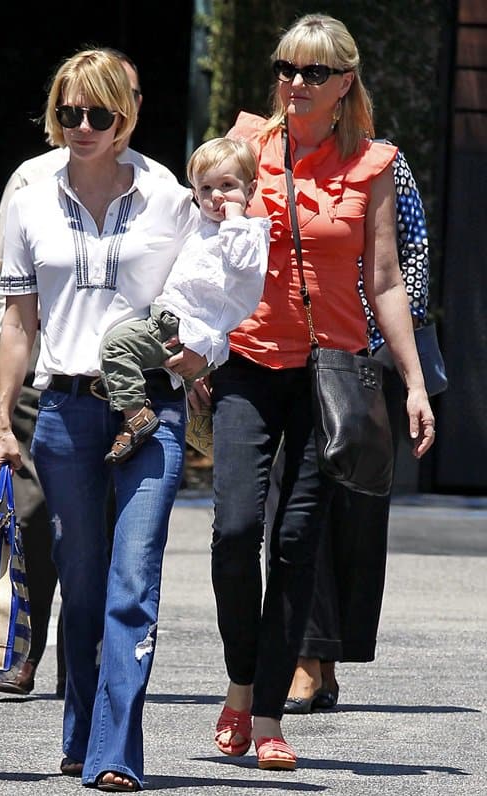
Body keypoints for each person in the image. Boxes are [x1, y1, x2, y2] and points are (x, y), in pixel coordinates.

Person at [189, 13, 435, 771]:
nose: (296, 84)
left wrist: (415, 382)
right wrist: (192, 349)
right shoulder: (247, 145)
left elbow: (384, 279)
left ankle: (265, 717)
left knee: (294, 547)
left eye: (314, 73)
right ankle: (240, 682)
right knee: (234, 534)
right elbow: (195, 247)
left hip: (328, 376)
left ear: (344, 83)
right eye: (287, 68)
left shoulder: (373, 164)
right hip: (246, 365)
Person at [0, 48, 200, 792]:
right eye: (67, 112)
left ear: (126, 117)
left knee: (131, 584)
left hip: (150, 412)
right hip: (65, 413)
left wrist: (197, 358)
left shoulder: (170, 198)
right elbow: (19, 319)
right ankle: (79, 735)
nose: (80, 126)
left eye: (97, 114)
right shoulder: (30, 196)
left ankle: (115, 754)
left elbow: (200, 303)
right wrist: (2, 422)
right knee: (79, 587)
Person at [279, 146, 431, 713]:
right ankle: (303, 659)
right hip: (287, 358)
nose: (300, 85)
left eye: (317, 72)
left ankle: (326, 660)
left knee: (353, 514)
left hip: (362, 362)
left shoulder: (385, 164)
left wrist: (375, 343)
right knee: (292, 508)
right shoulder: (272, 155)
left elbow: (409, 264)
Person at [100, 137, 270, 465]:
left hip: (188, 329)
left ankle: (136, 416)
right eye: (205, 189)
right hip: (173, 322)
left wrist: (235, 217)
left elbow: (239, 265)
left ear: (250, 191)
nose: (217, 196)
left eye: (227, 185)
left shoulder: (248, 234)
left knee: (115, 346)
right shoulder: (202, 227)